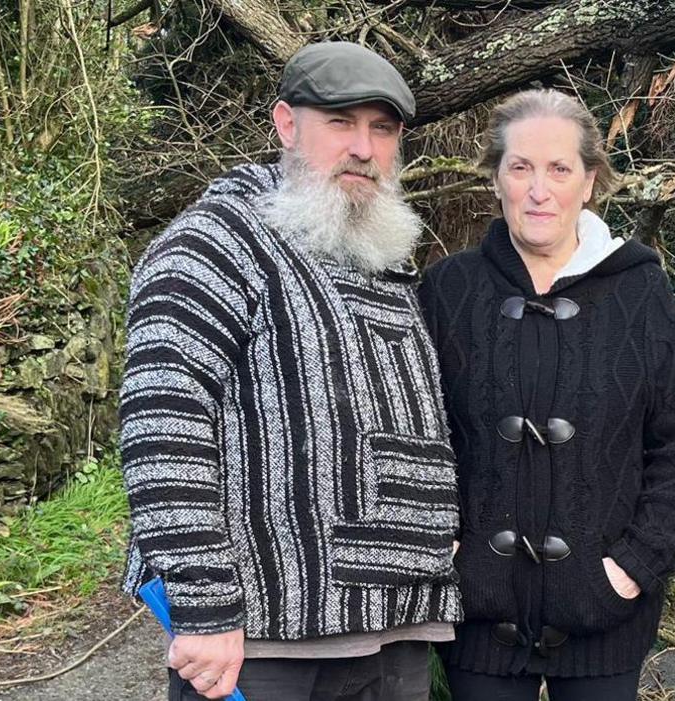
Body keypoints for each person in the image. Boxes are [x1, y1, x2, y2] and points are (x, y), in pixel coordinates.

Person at [119, 42, 461, 701]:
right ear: (285, 124)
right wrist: (204, 607)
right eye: (340, 122)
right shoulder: (216, 243)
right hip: (262, 646)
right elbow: (163, 425)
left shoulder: (380, 260)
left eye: (382, 128)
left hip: (395, 632)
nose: (363, 147)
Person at [417, 89, 675, 701]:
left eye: (559, 169)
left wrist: (632, 569)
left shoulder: (640, 292)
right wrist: (451, 553)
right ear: (495, 179)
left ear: (591, 182)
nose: (538, 189)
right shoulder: (448, 290)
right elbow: (416, 431)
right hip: (479, 615)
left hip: (605, 612)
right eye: (519, 167)